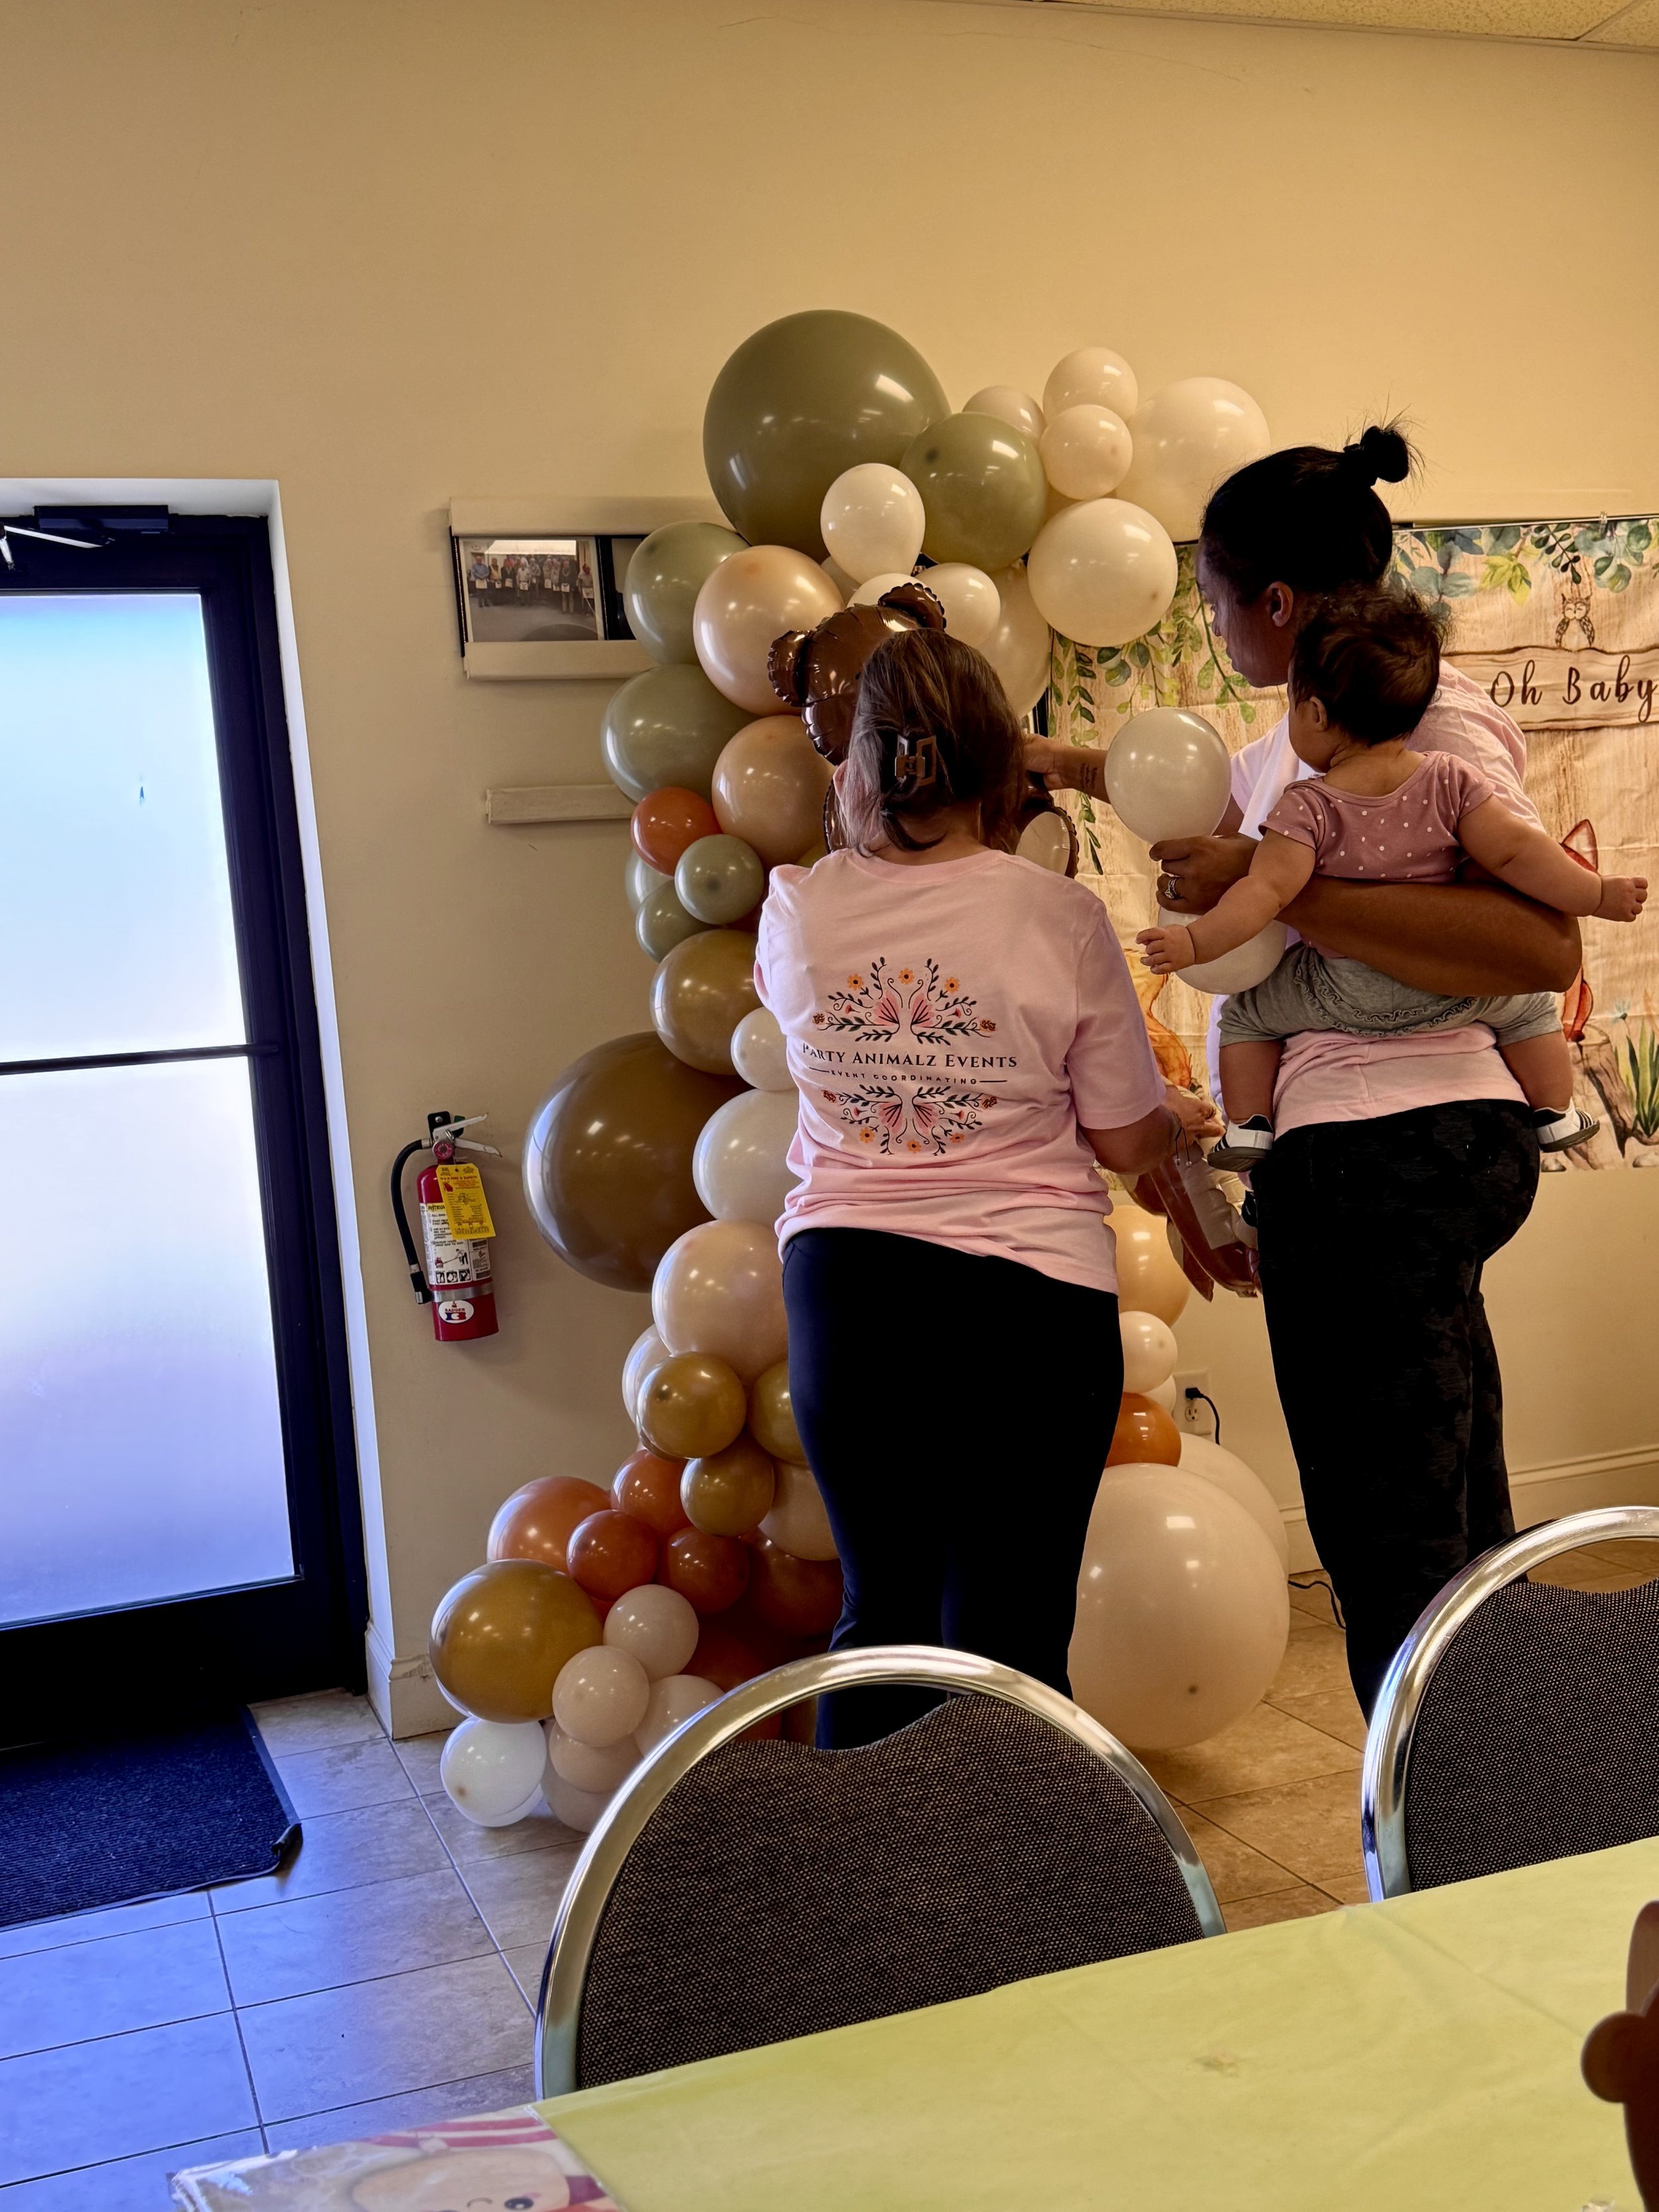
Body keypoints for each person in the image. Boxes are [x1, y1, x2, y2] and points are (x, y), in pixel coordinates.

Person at [1027, 424, 1587, 1716]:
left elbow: (1519, 936)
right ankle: (1487, 1818)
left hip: (1396, 1157)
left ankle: (1439, 1838)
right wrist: (1052, 767)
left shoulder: (1432, 722)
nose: (1219, 635)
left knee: (1391, 1539)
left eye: (1218, 607)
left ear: (1273, 603)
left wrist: (1289, 890)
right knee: (1440, 1501)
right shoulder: (1304, 735)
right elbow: (1204, 819)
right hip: (1351, 1161)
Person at [757, 627, 1217, 1747]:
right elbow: (1121, 1139)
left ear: (860, 765)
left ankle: (874, 1912)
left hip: (850, 1289)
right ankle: (1016, 1908)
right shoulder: (1055, 916)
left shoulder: (797, 908)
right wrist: (1179, 1119)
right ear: (1006, 769)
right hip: (1029, 1301)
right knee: (1011, 1634)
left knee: (883, 1620)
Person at [1137, 586, 1645, 1165]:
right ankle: (1555, 1112)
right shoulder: (1451, 781)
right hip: (1451, 993)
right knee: (1528, 1007)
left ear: (1317, 714)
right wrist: (1598, 894)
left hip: (1342, 992)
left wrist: (1192, 942)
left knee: (1249, 1015)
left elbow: (1265, 892)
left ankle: (1250, 1129)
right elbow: (1520, 856)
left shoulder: (1307, 805)